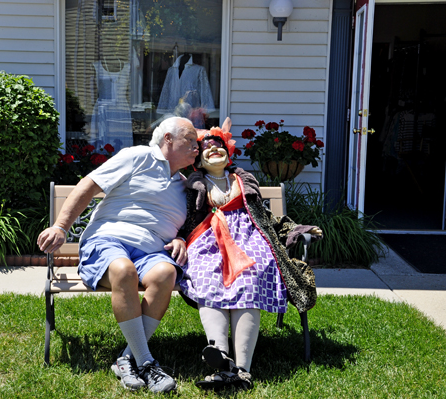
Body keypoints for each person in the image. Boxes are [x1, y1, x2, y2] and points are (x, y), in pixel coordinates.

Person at [37, 116, 198, 394]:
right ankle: (146, 362)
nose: (197, 147)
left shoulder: (185, 185)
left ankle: (126, 359)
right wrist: (61, 226)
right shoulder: (137, 157)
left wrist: (183, 237)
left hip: (152, 250)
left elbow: (191, 224)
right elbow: (89, 185)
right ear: (168, 139)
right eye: (191, 140)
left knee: (166, 274)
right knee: (124, 270)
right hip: (109, 239)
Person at [178, 118, 322, 391]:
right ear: (199, 160)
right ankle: (220, 356)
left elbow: (266, 217)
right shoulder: (195, 184)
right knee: (208, 275)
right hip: (207, 241)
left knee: (252, 275)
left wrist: (297, 229)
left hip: (247, 238)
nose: (213, 149)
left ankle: (242, 370)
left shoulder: (243, 181)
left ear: (228, 152)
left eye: (218, 145)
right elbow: (181, 219)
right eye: (206, 147)